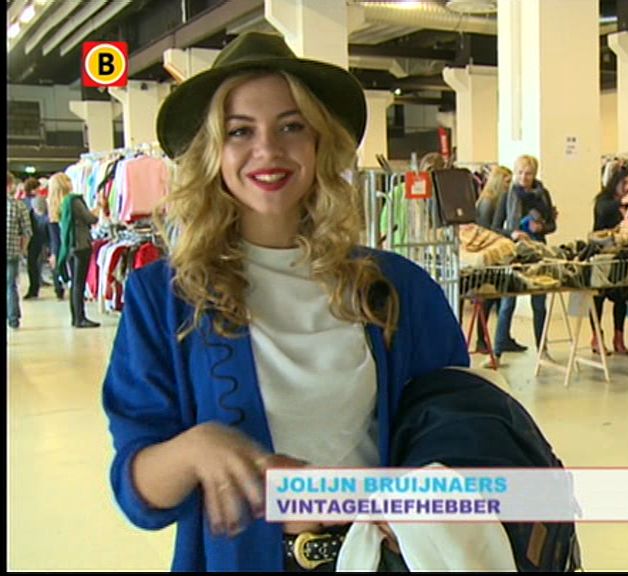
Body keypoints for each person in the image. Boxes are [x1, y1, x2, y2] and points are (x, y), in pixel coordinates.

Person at [101, 33, 472, 571]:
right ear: (212, 152)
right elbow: (138, 494)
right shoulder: (164, 297)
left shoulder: (398, 289)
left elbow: (457, 432)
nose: (268, 150)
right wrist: (196, 449)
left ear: (319, 142)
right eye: (240, 131)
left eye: (291, 126)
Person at [491, 154, 557, 358]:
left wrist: (542, 227)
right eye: (519, 172)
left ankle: (542, 350)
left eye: (528, 173)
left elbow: (552, 224)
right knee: (507, 303)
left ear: (534, 174)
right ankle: (497, 351)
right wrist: (512, 233)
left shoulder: (543, 195)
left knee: (539, 304)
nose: (523, 177)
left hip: (538, 251)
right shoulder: (508, 195)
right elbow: (494, 227)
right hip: (513, 252)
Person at [591, 168, 628, 355]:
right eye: (624, 183)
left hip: (622, 256)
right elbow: (602, 211)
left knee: (622, 299)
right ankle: (597, 336)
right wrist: (621, 202)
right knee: (599, 297)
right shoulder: (604, 200)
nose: (627, 187)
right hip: (602, 255)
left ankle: (619, 337)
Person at [471, 165, 512, 353]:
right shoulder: (488, 202)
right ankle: (482, 340)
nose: (509, 185)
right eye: (507, 181)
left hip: (490, 253)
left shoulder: (492, 201)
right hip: (488, 255)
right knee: (488, 299)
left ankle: (496, 338)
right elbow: (486, 229)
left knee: (494, 299)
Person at [56, 172, 103, 328]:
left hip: (69, 246)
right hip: (81, 243)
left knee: (74, 282)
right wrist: (99, 207)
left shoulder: (58, 203)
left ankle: (75, 317)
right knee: (79, 283)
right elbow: (90, 219)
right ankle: (80, 318)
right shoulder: (73, 200)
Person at [7, 172, 34, 329]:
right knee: (11, 285)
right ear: (10, 185)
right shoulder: (19, 206)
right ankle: (13, 318)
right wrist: (23, 250)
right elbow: (27, 232)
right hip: (12, 251)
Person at [46, 173, 72, 300]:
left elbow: (53, 232)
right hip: (70, 240)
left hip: (57, 240)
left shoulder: (50, 203)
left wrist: (54, 252)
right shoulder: (70, 201)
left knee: (57, 260)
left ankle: (59, 288)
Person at [21, 177, 46, 300]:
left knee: (32, 264)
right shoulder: (36, 201)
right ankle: (34, 288)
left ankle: (34, 288)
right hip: (36, 236)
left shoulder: (23, 202)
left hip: (29, 237)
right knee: (34, 263)